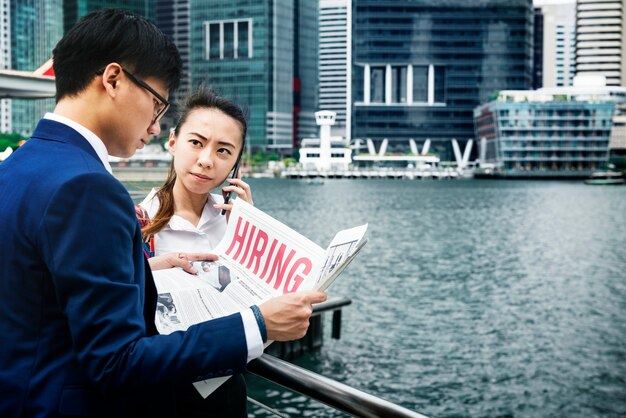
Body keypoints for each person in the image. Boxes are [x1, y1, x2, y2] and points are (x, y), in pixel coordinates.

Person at [0, 8, 326, 417]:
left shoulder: (15, 166)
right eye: (156, 105)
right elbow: (117, 362)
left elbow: (38, 286)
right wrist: (258, 325)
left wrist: (142, 271)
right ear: (113, 79)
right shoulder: (88, 187)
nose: (154, 127)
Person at [135, 87, 254, 416]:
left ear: (235, 163)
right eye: (196, 142)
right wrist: (151, 268)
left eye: (224, 151)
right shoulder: (141, 223)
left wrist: (252, 227)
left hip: (225, 387)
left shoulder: (233, 220)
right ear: (173, 141)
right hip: (163, 387)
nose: (206, 160)